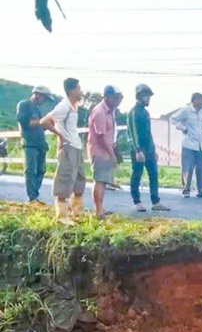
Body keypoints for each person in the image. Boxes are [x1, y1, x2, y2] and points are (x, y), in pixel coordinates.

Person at [40, 78, 86, 225]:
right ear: (71, 90)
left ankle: (77, 212)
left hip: (76, 146)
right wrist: (60, 135)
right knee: (65, 179)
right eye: (78, 89)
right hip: (68, 148)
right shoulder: (63, 106)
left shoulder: (74, 106)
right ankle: (61, 216)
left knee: (79, 179)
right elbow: (45, 121)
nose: (80, 91)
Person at [128, 84, 170, 212]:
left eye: (149, 96)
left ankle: (156, 201)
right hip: (139, 150)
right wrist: (138, 150)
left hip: (149, 149)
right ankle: (137, 202)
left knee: (154, 174)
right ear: (139, 96)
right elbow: (133, 133)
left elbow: (148, 133)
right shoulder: (134, 112)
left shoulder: (146, 112)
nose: (148, 99)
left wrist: (154, 149)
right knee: (137, 175)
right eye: (146, 96)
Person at [87, 85, 123, 219]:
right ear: (107, 97)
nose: (117, 101)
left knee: (104, 180)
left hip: (106, 150)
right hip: (100, 151)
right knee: (100, 180)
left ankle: (100, 207)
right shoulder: (100, 112)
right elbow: (101, 136)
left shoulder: (109, 111)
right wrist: (111, 154)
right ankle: (98, 210)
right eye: (115, 98)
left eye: (119, 98)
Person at [16, 85, 52, 205]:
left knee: (40, 170)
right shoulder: (24, 105)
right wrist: (43, 121)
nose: (45, 101)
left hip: (40, 144)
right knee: (30, 170)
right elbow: (25, 123)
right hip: (30, 143)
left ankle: (35, 195)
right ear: (37, 95)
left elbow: (39, 125)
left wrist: (47, 124)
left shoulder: (37, 109)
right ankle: (32, 198)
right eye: (45, 98)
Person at [170, 92, 202, 198]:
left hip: (201, 144)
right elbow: (173, 119)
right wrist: (183, 128)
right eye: (201, 100)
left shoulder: (201, 112)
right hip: (189, 144)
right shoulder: (186, 110)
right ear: (195, 100)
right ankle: (186, 190)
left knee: (201, 168)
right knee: (188, 168)